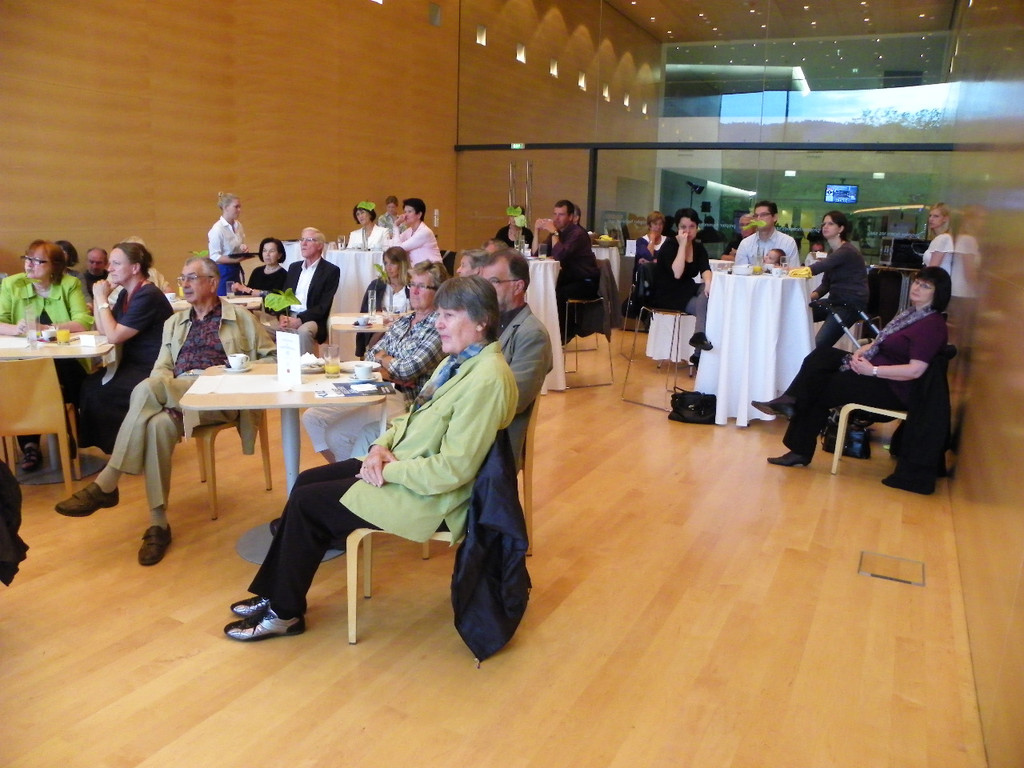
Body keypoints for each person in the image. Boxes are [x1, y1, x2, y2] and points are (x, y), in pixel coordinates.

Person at [224, 276, 517, 641]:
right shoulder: (457, 362)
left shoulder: (487, 379)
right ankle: (275, 593)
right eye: (439, 314)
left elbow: (453, 471)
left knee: (308, 502)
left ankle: (284, 613)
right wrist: (379, 448)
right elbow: (412, 417)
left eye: (449, 315)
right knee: (307, 482)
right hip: (403, 466)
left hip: (432, 496)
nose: (439, 323)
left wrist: (389, 470)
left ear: (481, 321)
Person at [54, 257, 276, 565]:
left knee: (146, 389)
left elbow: (271, 359)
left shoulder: (240, 318)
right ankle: (158, 524)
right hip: (177, 397)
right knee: (157, 423)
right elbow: (161, 367)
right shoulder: (175, 322)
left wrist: (237, 369)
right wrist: (165, 384)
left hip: (217, 395)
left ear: (212, 283)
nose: (184, 284)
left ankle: (109, 480)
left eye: (191, 278)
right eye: (182, 278)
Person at [752, 267, 951, 469]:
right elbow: (886, 344)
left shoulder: (931, 325)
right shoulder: (912, 315)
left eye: (925, 286)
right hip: (875, 370)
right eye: (917, 282)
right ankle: (790, 400)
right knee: (822, 355)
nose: (917, 288)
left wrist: (872, 371)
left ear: (937, 294)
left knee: (820, 386)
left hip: (893, 388)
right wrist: (864, 349)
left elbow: (915, 370)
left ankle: (798, 444)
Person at [303, 260, 447, 464]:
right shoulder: (405, 320)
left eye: (422, 286)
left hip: (404, 398)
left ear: (439, 291)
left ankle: (351, 478)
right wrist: (388, 366)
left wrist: (384, 359)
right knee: (313, 417)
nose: (414, 291)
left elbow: (408, 370)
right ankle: (345, 472)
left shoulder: (439, 326)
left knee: (337, 434)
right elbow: (371, 354)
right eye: (412, 285)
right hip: (378, 386)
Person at [0, 240, 94, 472]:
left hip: (64, 358)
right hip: (23, 358)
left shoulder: (69, 284)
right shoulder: (12, 284)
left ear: (55, 266)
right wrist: (15, 328)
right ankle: (31, 444)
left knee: (65, 374)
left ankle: (66, 431)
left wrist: (48, 328)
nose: (29, 265)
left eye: (38, 261)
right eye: (27, 259)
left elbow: (83, 321)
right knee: (22, 378)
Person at [77, 242, 174, 454]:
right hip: (132, 363)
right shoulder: (125, 294)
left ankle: (128, 450)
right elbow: (104, 330)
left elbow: (114, 336)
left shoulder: (148, 295)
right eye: (110, 263)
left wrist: (100, 298)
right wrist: (100, 298)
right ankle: (118, 448)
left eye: (116, 263)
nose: (109, 268)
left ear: (135, 268)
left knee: (105, 392)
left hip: (153, 367)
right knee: (89, 385)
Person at [477, 248, 553, 465]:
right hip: (466, 424)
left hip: (494, 442)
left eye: (493, 282)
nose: (486, 291)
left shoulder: (533, 334)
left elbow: (513, 399)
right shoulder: (484, 323)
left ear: (518, 286)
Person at [651, 208, 713, 362]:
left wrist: (708, 283)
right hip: (668, 293)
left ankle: (698, 337)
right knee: (708, 307)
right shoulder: (670, 245)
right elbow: (677, 273)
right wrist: (682, 246)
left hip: (687, 288)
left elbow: (705, 269)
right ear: (677, 228)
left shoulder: (698, 247)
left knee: (709, 292)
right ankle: (697, 354)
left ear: (697, 227)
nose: (688, 231)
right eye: (683, 227)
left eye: (692, 226)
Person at [534, 199, 600, 340]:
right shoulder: (557, 232)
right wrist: (536, 232)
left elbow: (560, 255)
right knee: (544, 289)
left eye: (561, 214)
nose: (556, 218)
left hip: (586, 281)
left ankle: (562, 336)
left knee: (558, 293)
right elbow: (537, 254)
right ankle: (545, 333)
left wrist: (554, 233)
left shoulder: (577, 234)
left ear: (570, 217)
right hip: (568, 278)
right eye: (555, 214)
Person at [806, 211, 870, 349]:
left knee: (818, 345)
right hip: (834, 302)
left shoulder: (847, 251)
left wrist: (791, 270)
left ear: (841, 228)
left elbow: (818, 268)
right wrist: (810, 298)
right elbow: (826, 284)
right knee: (799, 313)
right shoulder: (832, 252)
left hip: (850, 305)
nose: (825, 226)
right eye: (824, 223)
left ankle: (812, 359)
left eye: (830, 224)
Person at [278, 228, 341, 355]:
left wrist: (300, 320)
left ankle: (307, 365)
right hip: (289, 315)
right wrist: (281, 316)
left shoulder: (330, 271)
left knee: (304, 331)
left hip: (312, 319)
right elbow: (284, 297)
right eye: (302, 240)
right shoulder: (294, 267)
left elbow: (323, 306)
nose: (303, 243)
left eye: (309, 240)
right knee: (261, 328)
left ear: (320, 245)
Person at [354, 246, 411, 357]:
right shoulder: (377, 285)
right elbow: (365, 313)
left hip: (405, 332)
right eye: (385, 263)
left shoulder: (411, 286)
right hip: (380, 330)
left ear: (402, 264)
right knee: (377, 340)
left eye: (392, 263)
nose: (388, 268)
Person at [734, 201, 800, 268]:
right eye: (756, 216)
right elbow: (739, 271)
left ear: (775, 217)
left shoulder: (788, 242)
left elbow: (794, 271)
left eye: (763, 215)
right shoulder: (746, 243)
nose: (758, 219)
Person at [207, 191, 249, 296]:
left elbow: (238, 245)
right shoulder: (217, 229)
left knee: (238, 300)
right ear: (226, 208)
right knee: (224, 299)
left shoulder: (238, 225)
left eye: (240, 207)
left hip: (235, 269)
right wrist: (234, 260)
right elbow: (214, 256)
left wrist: (243, 248)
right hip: (223, 271)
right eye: (236, 207)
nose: (239, 210)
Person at [230, 236, 289, 306]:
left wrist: (247, 289)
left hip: (270, 310)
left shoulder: (284, 275)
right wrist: (238, 290)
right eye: (264, 251)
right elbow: (247, 293)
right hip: (252, 308)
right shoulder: (257, 271)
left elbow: (277, 298)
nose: (267, 254)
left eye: (271, 251)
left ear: (279, 255)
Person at [396, 197, 443, 265]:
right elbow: (393, 245)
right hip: (418, 269)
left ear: (419, 215)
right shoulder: (409, 231)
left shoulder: (424, 232)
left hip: (432, 269)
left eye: (409, 212)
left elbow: (399, 249)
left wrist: (396, 225)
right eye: (405, 212)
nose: (405, 215)